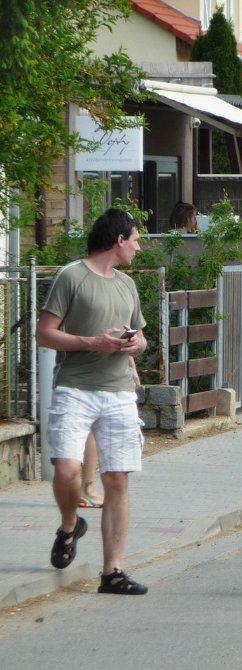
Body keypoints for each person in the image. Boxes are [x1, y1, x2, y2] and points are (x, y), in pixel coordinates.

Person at [36, 207, 149, 594]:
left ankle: (112, 572)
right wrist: (92, 343)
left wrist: (135, 344)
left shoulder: (127, 285)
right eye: (135, 239)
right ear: (119, 240)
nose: (138, 247)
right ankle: (70, 525)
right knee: (66, 470)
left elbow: (143, 337)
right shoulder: (72, 276)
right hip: (75, 387)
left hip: (117, 392)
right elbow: (44, 334)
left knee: (117, 479)